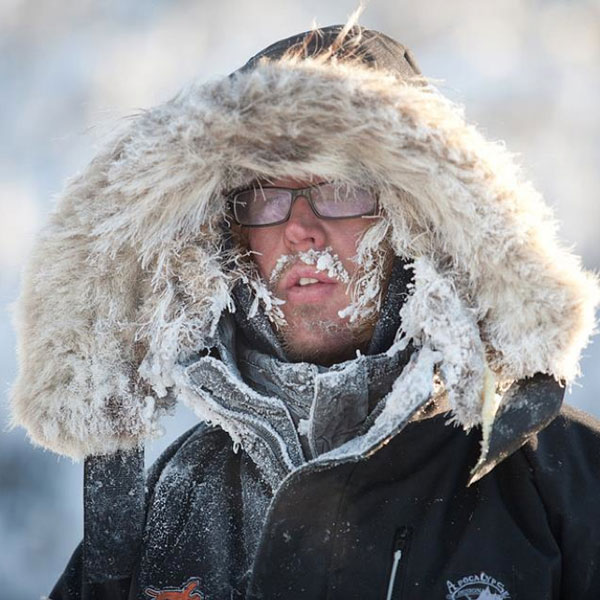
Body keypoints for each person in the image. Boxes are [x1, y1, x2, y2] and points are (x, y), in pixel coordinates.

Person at [11, 22, 600, 600]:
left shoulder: (561, 483)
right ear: (227, 235)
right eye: (266, 194)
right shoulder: (171, 505)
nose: (299, 228)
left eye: (341, 188)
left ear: (416, 221)